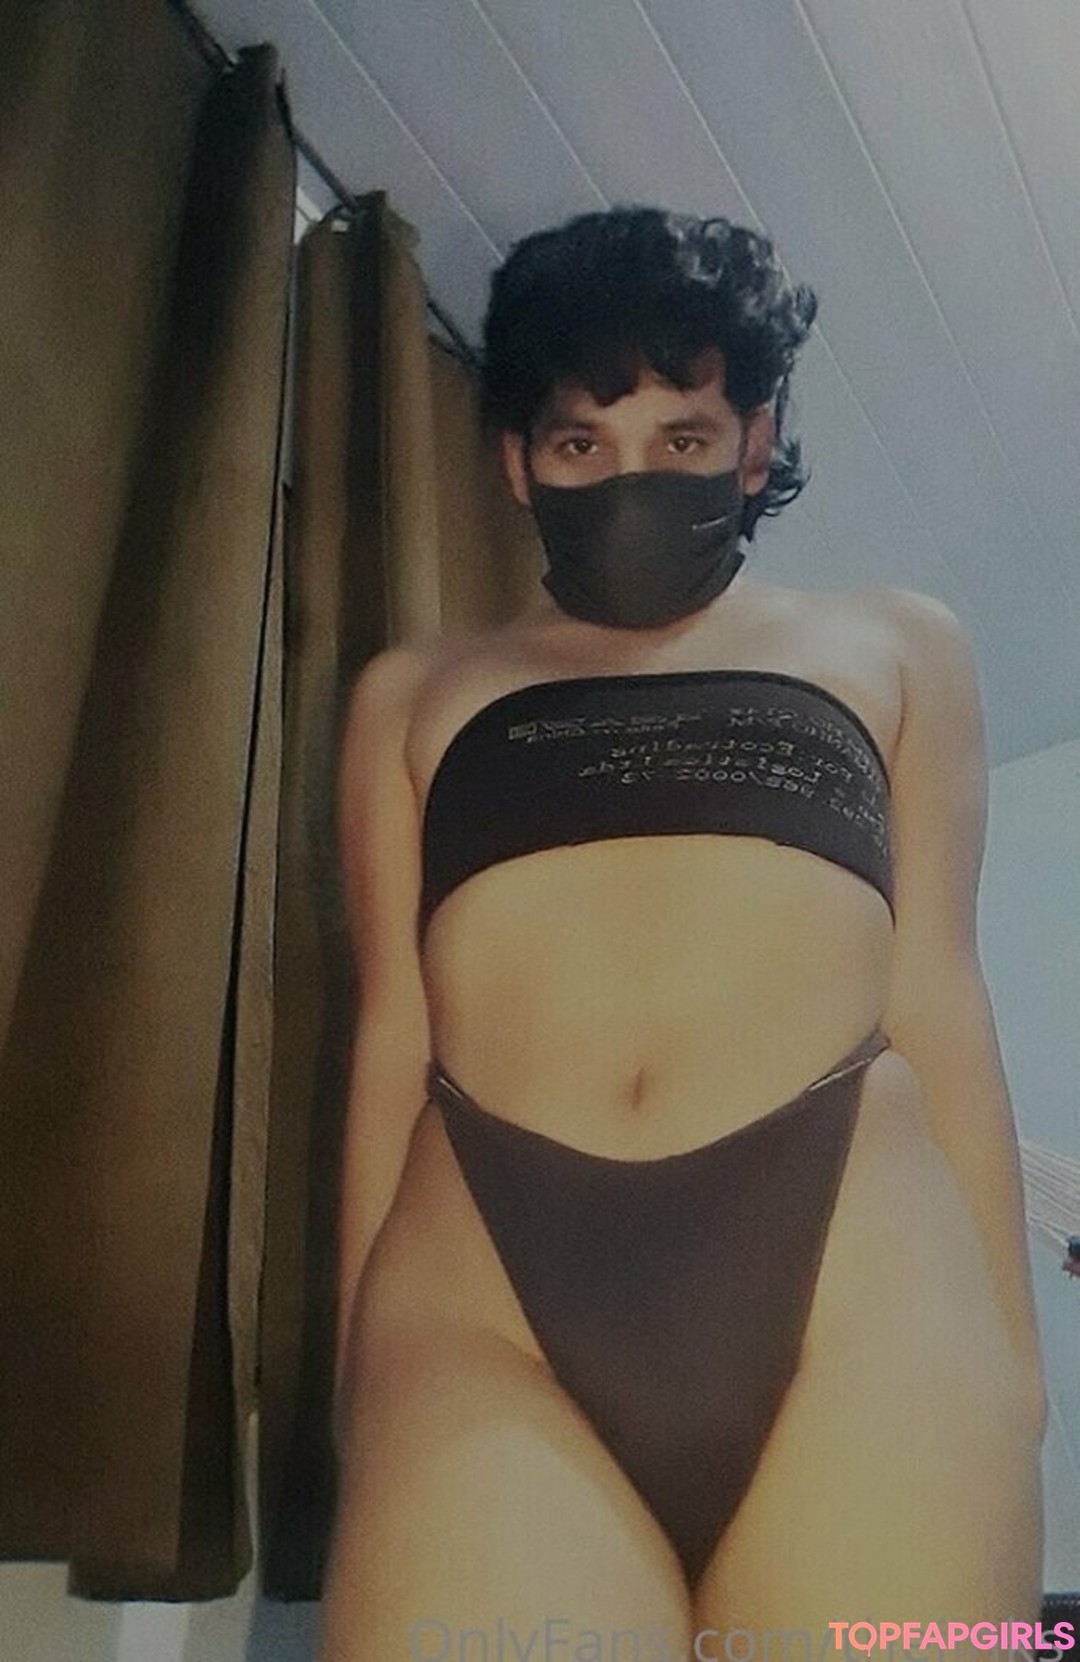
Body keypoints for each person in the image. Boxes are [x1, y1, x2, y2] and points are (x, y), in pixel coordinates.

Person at [319, 208, 1046, 1660]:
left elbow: (939, 996)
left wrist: (1018, 1364)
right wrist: (356, 1372)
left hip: (858, 1274)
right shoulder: (412, 691)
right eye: (582, 442)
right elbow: (394, 1030)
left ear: (753, 445)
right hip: (484, 1298)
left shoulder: (899, 646)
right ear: (517, 462)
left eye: (683, 434)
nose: (632, 476)